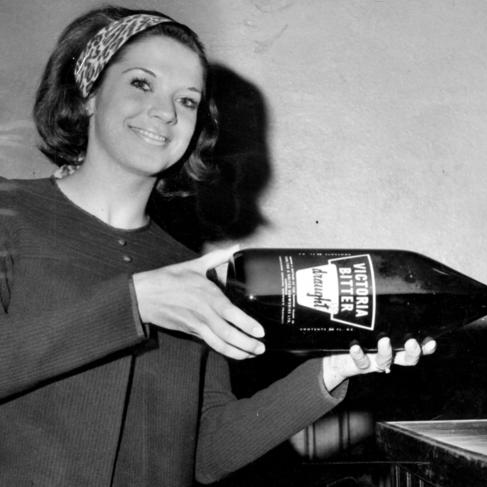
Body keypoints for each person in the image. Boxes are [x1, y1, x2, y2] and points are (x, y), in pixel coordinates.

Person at [0, 6, 436, 486]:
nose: (166, 112)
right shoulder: (9, 216)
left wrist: (330, 372)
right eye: (141, 83)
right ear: (87, 95)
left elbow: (207, 451)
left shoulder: (188, 272)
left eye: (187, 100)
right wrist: (134, 304)